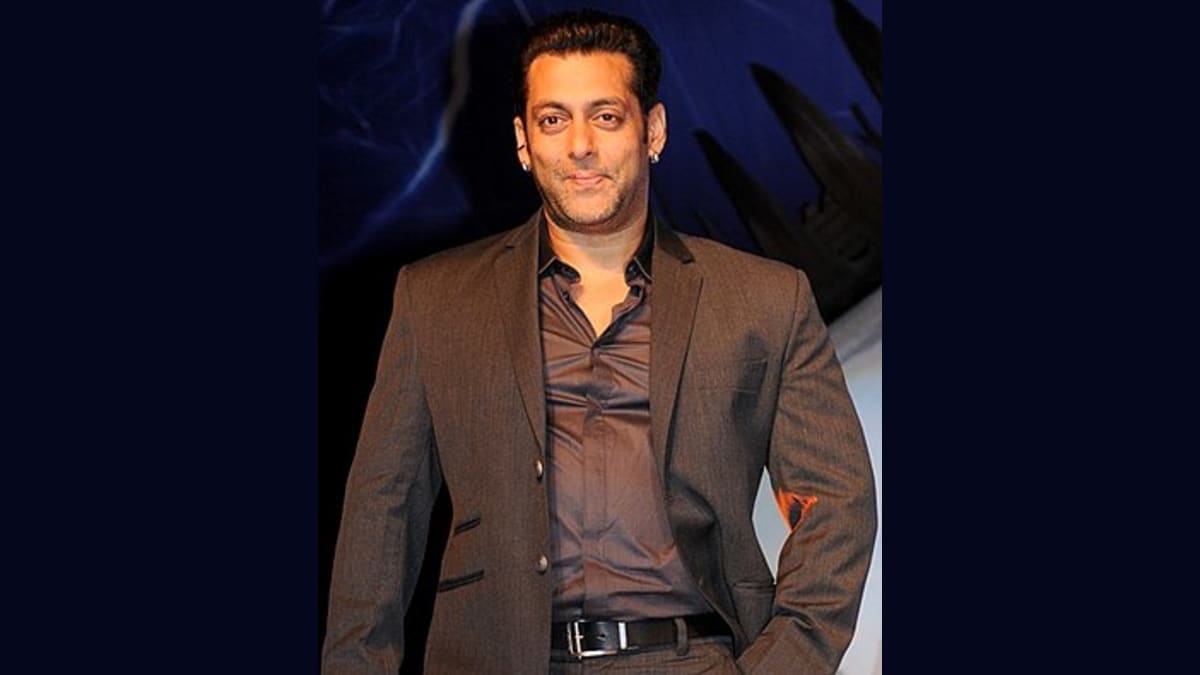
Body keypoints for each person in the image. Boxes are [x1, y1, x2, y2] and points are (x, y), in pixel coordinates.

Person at [322, 9, 877, 674]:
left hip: (693, 659)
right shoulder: (436, 299)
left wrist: (781, 665)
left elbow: (839, 504)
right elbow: (381, 514)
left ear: (653, 131)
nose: (579, 145)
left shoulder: (764, 299)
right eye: (553, 119)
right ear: (524, 141)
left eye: (606, 116)